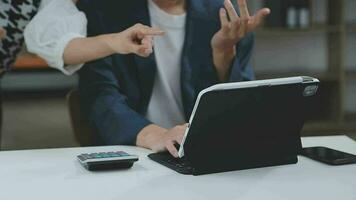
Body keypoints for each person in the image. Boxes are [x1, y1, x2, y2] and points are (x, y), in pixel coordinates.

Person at [78, 0, 270, 157]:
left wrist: (223, 55)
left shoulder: (225, 15)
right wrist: (157, 135)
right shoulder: (101, 10)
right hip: (132, 151)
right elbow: (99, 96)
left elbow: (241, 111)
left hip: (202, 153)